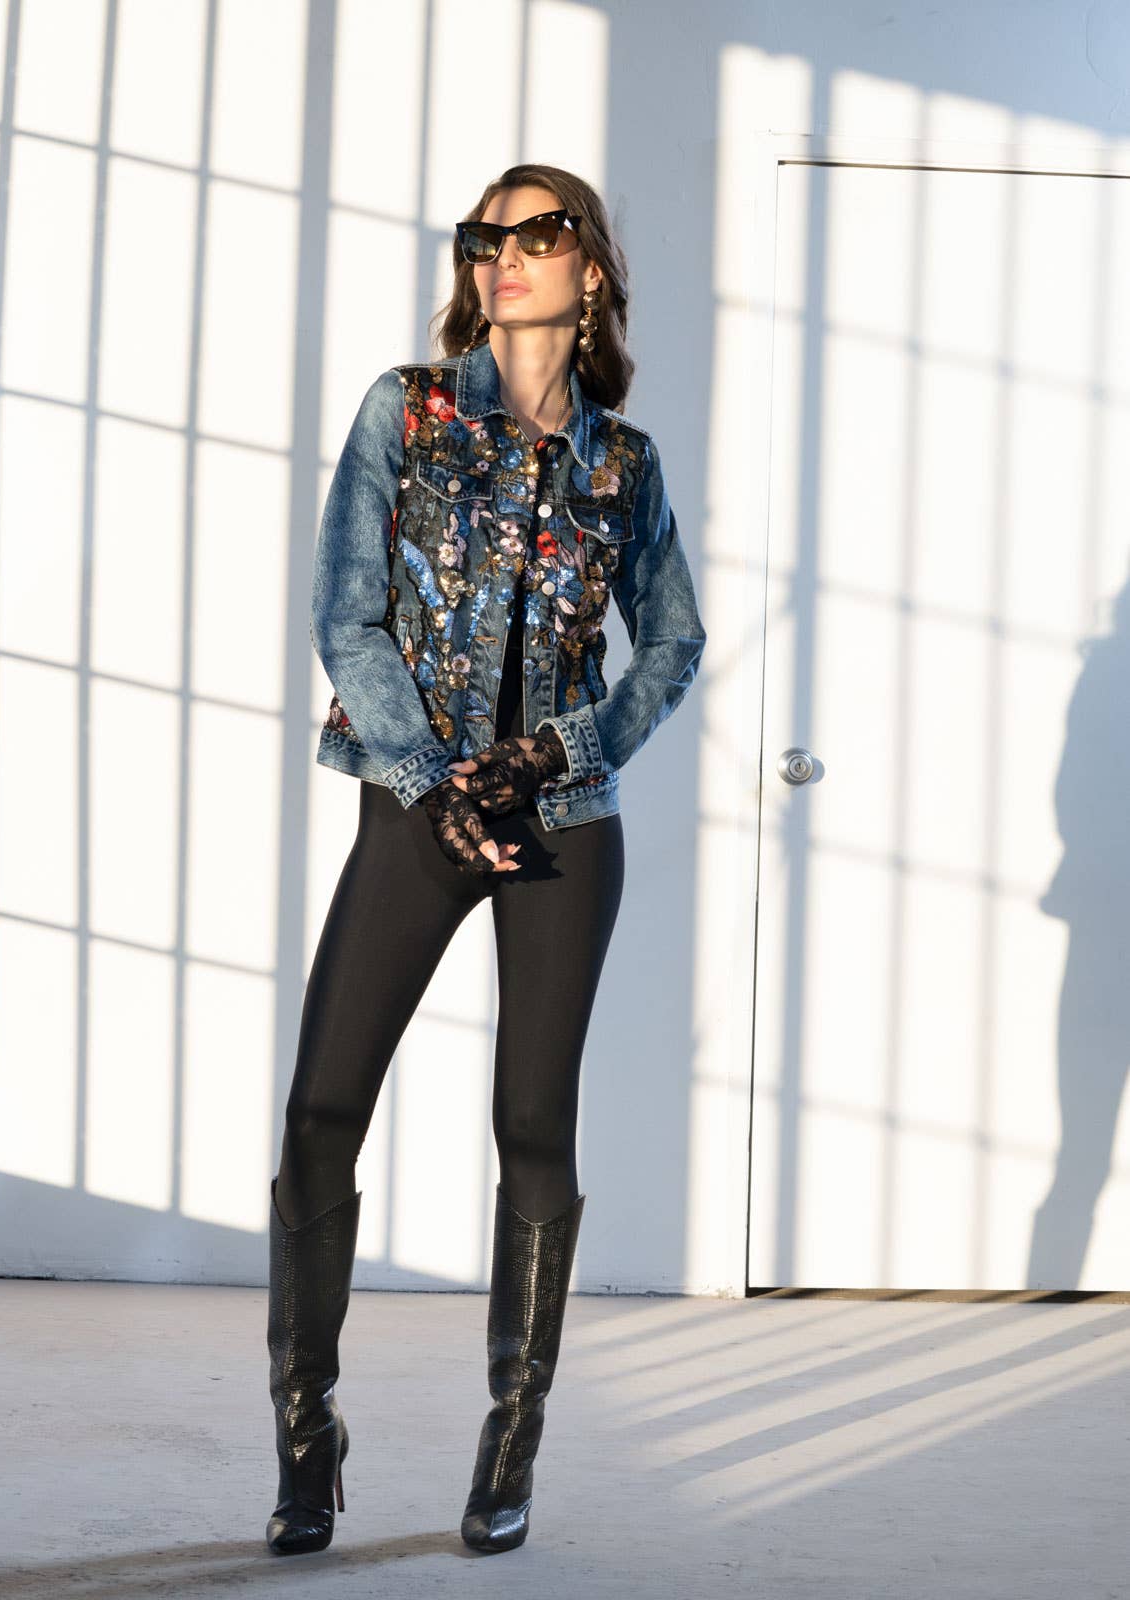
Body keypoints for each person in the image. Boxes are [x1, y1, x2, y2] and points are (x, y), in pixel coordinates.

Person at [265, 162, 707, 1558]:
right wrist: (431, 775)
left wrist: (564, 748)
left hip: (562, 821)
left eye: (537, 232)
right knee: (324, 1107)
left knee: (533, 1124)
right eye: (483, 237)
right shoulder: (408, 412)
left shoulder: (624, 465)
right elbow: (347, 615)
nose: (501, 254)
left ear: (592, 271)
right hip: (420, 800)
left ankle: (511, 1443)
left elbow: (674, 641)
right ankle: (306, 1433)